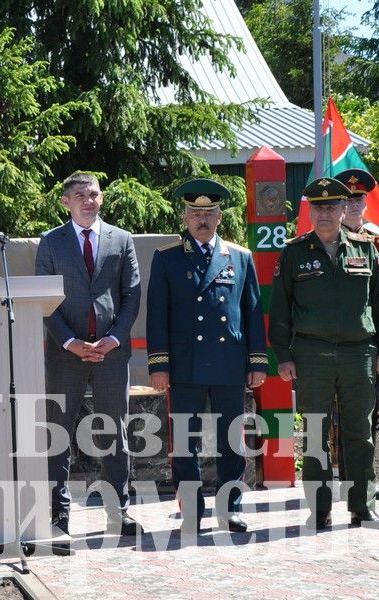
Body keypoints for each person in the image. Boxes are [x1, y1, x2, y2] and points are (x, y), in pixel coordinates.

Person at [268, 177, 379, 531]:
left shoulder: (366, 248)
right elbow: (280, 309)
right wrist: (283, 355)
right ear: (310, 211)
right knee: (314, 433)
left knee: (359, 434)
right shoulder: (294, 253)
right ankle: (320, 508)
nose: (324, 213)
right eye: (318, 207)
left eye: (331, 206)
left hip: (359, 355)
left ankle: (362, 507)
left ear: (344, 209)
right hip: (311, 355)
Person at [146, 178, 268, 533]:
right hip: (186, 366)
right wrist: (160, 365)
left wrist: (257, 362)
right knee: (187, 442)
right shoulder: (167, 258)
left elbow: (252, 312)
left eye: (209, 213)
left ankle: (231, 508)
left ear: (220, 218)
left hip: (230, 363)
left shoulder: (240, 257)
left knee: (232, 440)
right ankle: (192, 511)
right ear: (184, 217)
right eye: (195, 213)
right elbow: (157, 316)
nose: (202, 219)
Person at [35, 172, 141, 536]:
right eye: (80, 195)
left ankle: (120, 511)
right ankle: (57, 513)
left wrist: (113, 338)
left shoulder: (121, 240)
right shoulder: (50, 243)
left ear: (102, 198)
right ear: (66, 201)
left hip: (111, 353)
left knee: (116, 432)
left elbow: (132, 295)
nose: (88, 200)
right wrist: (69, 342)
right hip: (66, 354)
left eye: (94, 194)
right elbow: (44, 299)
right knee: (59, 432)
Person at [335, 168, 379, 501]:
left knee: (369, 414)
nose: (355, 204)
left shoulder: (378, 243)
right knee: (340, 415)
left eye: (360, 198)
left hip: (371, 345)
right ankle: (345, 479)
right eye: (349, 199)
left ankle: (365, 480)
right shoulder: (329, 241)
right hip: (337, 347)